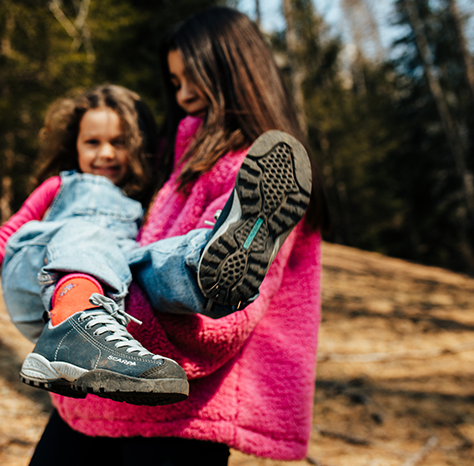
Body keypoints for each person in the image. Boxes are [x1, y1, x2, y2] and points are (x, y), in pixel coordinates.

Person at [28, 6, 329, 466]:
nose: (185, 95)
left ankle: (193, 266)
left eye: (194, 78)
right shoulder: (179, 168)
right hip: (97, 398)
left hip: (177, 416)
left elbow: (223, 325)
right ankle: (167, 276)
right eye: (175, 83)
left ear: (233, 69)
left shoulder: (263, 176)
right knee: (124, 258)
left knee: (144, 264)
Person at [0, 84, 189, 406]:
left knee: (151, 258)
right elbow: (5, 237)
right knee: (87, 228)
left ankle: (201, 265)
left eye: (118, 143)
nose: (105, 153)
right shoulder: (62, 186)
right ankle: (73, 317)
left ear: (137, 146)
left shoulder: (144, 202)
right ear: (74, 145)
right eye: (92, 142)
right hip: (42, 290)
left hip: (109, 301)